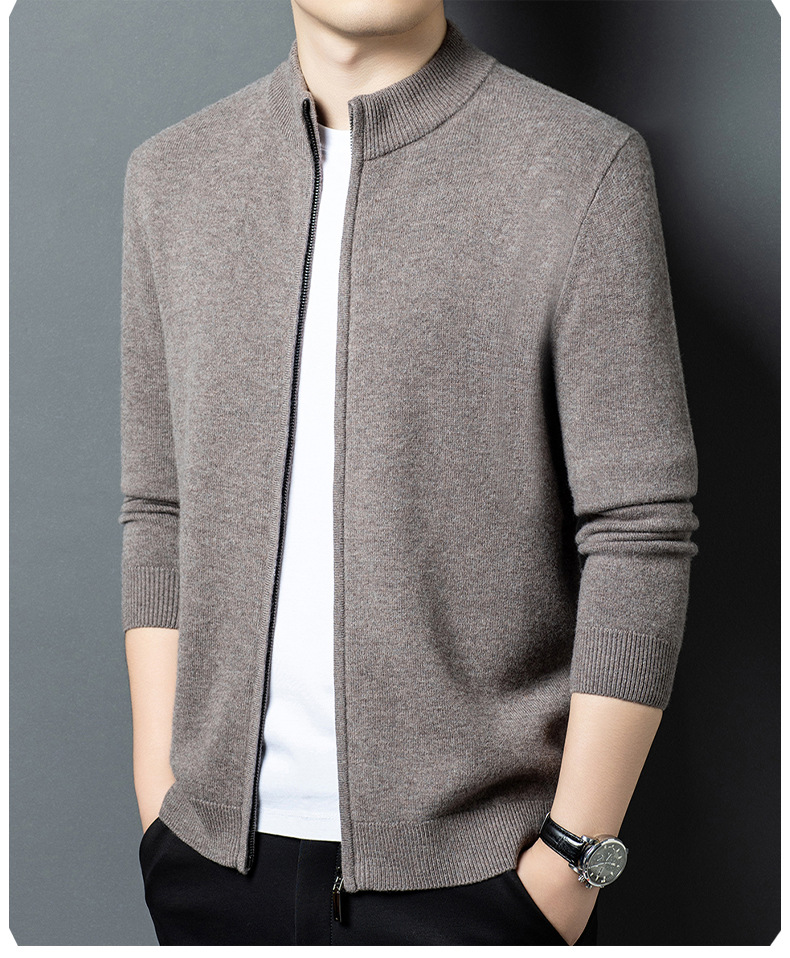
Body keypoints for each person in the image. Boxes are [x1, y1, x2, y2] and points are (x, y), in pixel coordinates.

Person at [121, 0, 699, 946]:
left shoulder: (581, 167)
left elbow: (642, 529)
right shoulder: (173, 177)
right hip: (212, 867)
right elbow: (159, 505)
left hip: (482, 879)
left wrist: (570, 862)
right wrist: (163, 800)